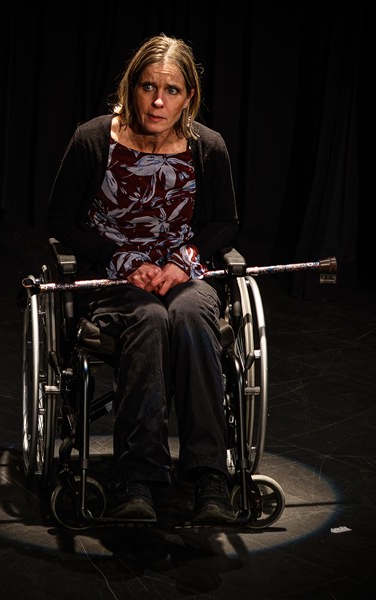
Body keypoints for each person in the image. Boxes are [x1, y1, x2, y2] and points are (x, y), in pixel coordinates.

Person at [47, 33, 239, 522]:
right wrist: (121, 259)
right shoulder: (93, 140)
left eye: (171, 90)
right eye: (149, 87)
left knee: (191, 317)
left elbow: (224, 222)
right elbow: (60, 220)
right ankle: (136, 478)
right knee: (150, 320)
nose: (158, 102)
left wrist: (183, 260)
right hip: (114, 279)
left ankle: (210, 476)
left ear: (189, 96)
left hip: (183, 275)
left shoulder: (208, 148)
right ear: (132, 87)